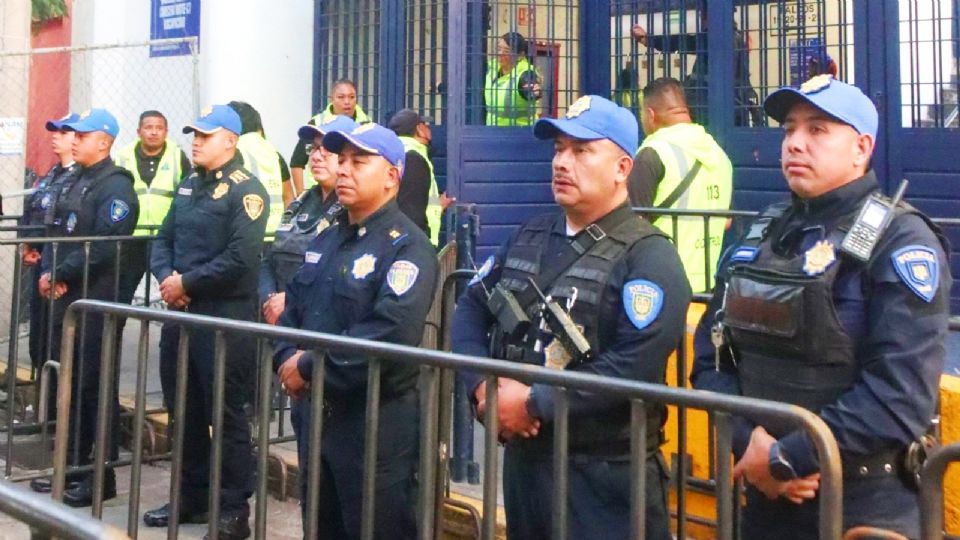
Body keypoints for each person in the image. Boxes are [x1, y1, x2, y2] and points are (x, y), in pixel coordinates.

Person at [691, 75, 951, 539]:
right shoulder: (763, 232)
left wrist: (787, 457)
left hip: (862, 507)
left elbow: (898, 395)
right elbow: (712, 354)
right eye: (789, 129)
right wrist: (748, 444)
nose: (794, 143)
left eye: (817, 130)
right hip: (766, 498)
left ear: (861, 148)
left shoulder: (901, 240)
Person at [451, 95, 691, 539]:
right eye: (559, 149)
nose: (563, 162)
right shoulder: (529, 236)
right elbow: (469, 310)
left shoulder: (649, 257)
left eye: (582, 151)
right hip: (528, 467)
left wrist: (532, 403)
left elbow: (633, 365)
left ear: (622, 168)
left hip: (605, 478)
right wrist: (483, 386)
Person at [274, 122, 438, 539]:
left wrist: (308, 366)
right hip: (317, 418)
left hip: (374, 424)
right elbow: (292, 310)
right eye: (341, 159)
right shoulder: (327, 239)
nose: (343, 169)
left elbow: (390, 332)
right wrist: (284, 358)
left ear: (391, 176)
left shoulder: (408, 248)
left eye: (359, 161)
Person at [145, 104, 268, 540]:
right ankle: (192, 497)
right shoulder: (189, 185)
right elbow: (163, 239)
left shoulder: (247, 192)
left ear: (230, 141)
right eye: (194, 134)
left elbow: (239, 259)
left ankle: (234, 508)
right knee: (186, 412)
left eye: (205, 135)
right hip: (181, 317)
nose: (195, 141)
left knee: (228, 415)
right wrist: (166, 279)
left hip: (222, 320)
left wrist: (187, 283)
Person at [38, 108, 140, 506]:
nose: (74, 140)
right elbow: (59, 231)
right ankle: (73, 466)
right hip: (72, 295)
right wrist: (53, 269)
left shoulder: (116, 188)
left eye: (82, 135)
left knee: (95, 385)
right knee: (73, 382)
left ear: (104, 141)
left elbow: (102, 244)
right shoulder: (76, 179)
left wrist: (62, 269)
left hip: (98, 298)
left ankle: (100, 474)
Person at [258, 114, 356, 521]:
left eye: (327, 150)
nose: (317, 156)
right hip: (288, 333)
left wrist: (290, 300)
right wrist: (269, 298)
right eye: (314, 148)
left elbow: (330, 272)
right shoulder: (303, 202)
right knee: (310, 472)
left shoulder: (349, 212)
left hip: (323, 346)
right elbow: (271, 254)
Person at [628, 77, 732, 292]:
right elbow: (727, 221)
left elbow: (632, 225)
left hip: (658, 284)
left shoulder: (653, 153)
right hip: (706, 284)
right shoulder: (719, 155)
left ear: (650, 114)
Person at [23, 113, 80, 492]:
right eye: (55, 133)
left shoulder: (80, 179)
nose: (56, 139)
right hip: (42, 268)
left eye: (64, 133)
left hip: (64, 276)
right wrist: (29, 243)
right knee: (40, 345)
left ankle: (64, 434)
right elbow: (34, 213)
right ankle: (48, 421)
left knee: (64, 355)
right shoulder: (52, 175)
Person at [632, 6, 760, 126]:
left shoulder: (713, 38)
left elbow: (682, 42)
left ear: (708, 17)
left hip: (710, 109)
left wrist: (648, 39)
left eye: (702, 16)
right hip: (737, 107)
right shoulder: (739, 38)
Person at [114, 110, 192, 300]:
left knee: (175, 290)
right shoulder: (123, 157)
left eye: (159, 128)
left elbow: (189, 194)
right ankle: (114, 330)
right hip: (132, 237)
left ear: (166, 132)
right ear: (138, 131)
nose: (154, 132)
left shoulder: (177, 156)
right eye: (149, 127)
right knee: (121, 293)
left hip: (165, 238)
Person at [289, 79, 371, 199]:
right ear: (331, 98)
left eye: (352, 97)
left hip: (352, 192)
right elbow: (297, 162)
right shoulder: (316, 123)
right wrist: (302, 196)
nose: (347, 102)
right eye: (341, 97)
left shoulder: (366, 125)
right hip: (319, 193)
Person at [229, 101, 291, 237]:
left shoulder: (233, 152)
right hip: (276, 235)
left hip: (247, 235)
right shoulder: (274, 153)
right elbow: (288, 197)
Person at [387, 108, 443, 246]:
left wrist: (439, 206)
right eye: (425, 125)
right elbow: (411, 208)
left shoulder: (397, 154)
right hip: (415, 243)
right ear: (420, 129)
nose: (429, 129)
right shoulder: (413, 158)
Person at [484, 31, 542, 126]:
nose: (500, 53)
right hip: (492, 131)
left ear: (520, 55)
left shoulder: (525, 73)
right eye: (499, 49)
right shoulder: (491, 67)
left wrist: (534, 92)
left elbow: (532, 90)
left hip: (519, 133)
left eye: (506, 51)